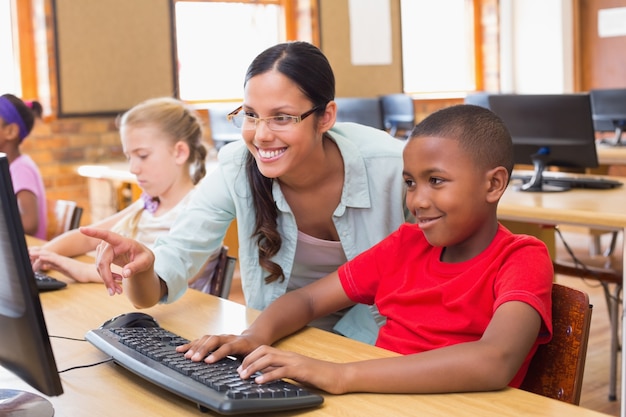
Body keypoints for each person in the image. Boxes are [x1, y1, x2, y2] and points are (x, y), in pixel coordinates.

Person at [174, 104, 554, 395]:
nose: (418, 200)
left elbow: (494, 361)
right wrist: (256, 335)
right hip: (380, 399)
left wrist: (341, 374)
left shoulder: (521, 257)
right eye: (409, 183)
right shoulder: (405, 244)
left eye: (436, 181)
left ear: (493, 185)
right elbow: (306, 301)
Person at [82, 41, 409, 343]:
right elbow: (163, 276)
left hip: (382, 339)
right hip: (282, 336)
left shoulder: (392, 168)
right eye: (251, 115)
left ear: (326, 117)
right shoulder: (237, 168)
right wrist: (144, 266)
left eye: (281, 117)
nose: (262, 135)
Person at [29, 97, 208, 283]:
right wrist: (44, 253)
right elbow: (88, 238)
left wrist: (81, 270)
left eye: (142, 156)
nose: (133, 168)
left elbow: (161, 275)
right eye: (129, 157)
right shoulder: (148, 203)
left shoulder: (200, 210)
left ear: (179, 152)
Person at [0, 93, 47, 239]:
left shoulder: (21, 169)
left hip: (27, 256)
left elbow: (29, 223)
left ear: (11, 131)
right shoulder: (9, 167)